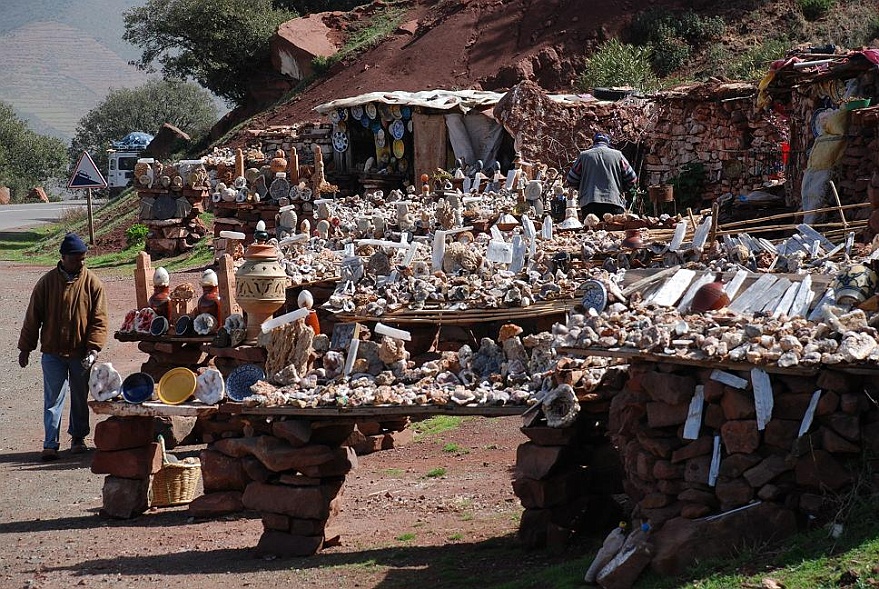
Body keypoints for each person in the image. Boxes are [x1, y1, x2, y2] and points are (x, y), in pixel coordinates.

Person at [18, 232, 108, 461]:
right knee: (53, 399)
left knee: (80, 397)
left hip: (80, 354)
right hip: (52, 353)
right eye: (76, 258)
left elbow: (99, 319)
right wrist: (25, 348)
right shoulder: (46, 283)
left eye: (83, 257)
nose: (81, 262)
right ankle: (50, 444)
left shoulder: (92, 283)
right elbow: (32, 318)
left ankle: (78, 439)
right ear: (64, 257)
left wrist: (94, 348)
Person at [566, 132, 638, 218]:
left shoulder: (584, 156)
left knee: (592, 230)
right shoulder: (618, 155)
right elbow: (632, 178)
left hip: (589, 203)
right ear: (608, 142)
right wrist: (622, 189)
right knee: (614, 229)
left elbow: (571, 179)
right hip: (614, 202)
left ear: (594, 142)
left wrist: (583, 188)